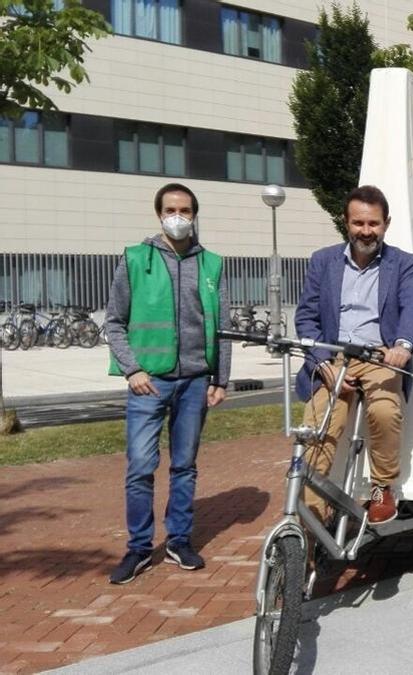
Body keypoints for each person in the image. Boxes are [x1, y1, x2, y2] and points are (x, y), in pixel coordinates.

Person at [105, 183, 231, 584]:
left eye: (186, 210)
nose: (178, 216)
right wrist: (133, 370)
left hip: (195, 381)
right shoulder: (135, 259)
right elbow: (114, 322)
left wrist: (219, 378)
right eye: (171, 209)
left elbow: (222, 328)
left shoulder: (211, 264)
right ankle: (140, 548)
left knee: (184, 466)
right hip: (149, 382)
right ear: (158, 213)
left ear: (195, 215)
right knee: (141, 467)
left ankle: (179, 540)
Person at [294, 185, 413, 527]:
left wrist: (403, 346)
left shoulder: (404, 264)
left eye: (373, 224)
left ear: (386, 224)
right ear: (346, 222)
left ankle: (382, 487)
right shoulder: (323, 261)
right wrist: (322, 362)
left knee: (384, 411)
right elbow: (306, 317)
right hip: (333, 356)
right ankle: (310, 516)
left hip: (380, 355)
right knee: (318, 426)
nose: (365, 231)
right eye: (358, 223)